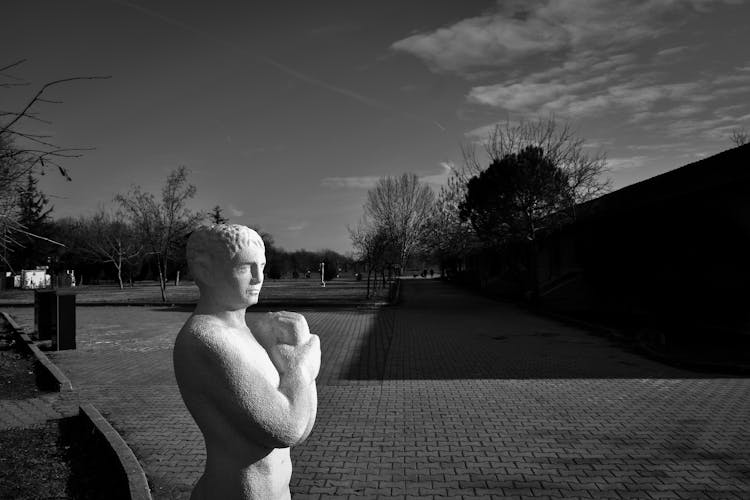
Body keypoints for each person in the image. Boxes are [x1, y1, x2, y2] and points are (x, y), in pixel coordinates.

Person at [173, 224, 320, 500]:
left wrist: (298, 347)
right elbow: (287, 426)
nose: (258, 278)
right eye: (245, 268)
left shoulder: (244, 333)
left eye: (262, 266)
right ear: (205, 271)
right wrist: (304, 362)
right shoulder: (205, 339)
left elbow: (301, 429)